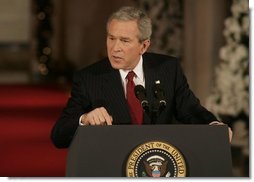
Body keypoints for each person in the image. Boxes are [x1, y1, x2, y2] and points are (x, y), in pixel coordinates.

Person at [51, 6, 232, 148]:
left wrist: (213, 125)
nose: (115, 48)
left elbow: (190, 110)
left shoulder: (168, 69)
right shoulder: (89, 78)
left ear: (144, 46)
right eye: (111, 38)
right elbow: (59, 136)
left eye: (125, 40)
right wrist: (85, 119)